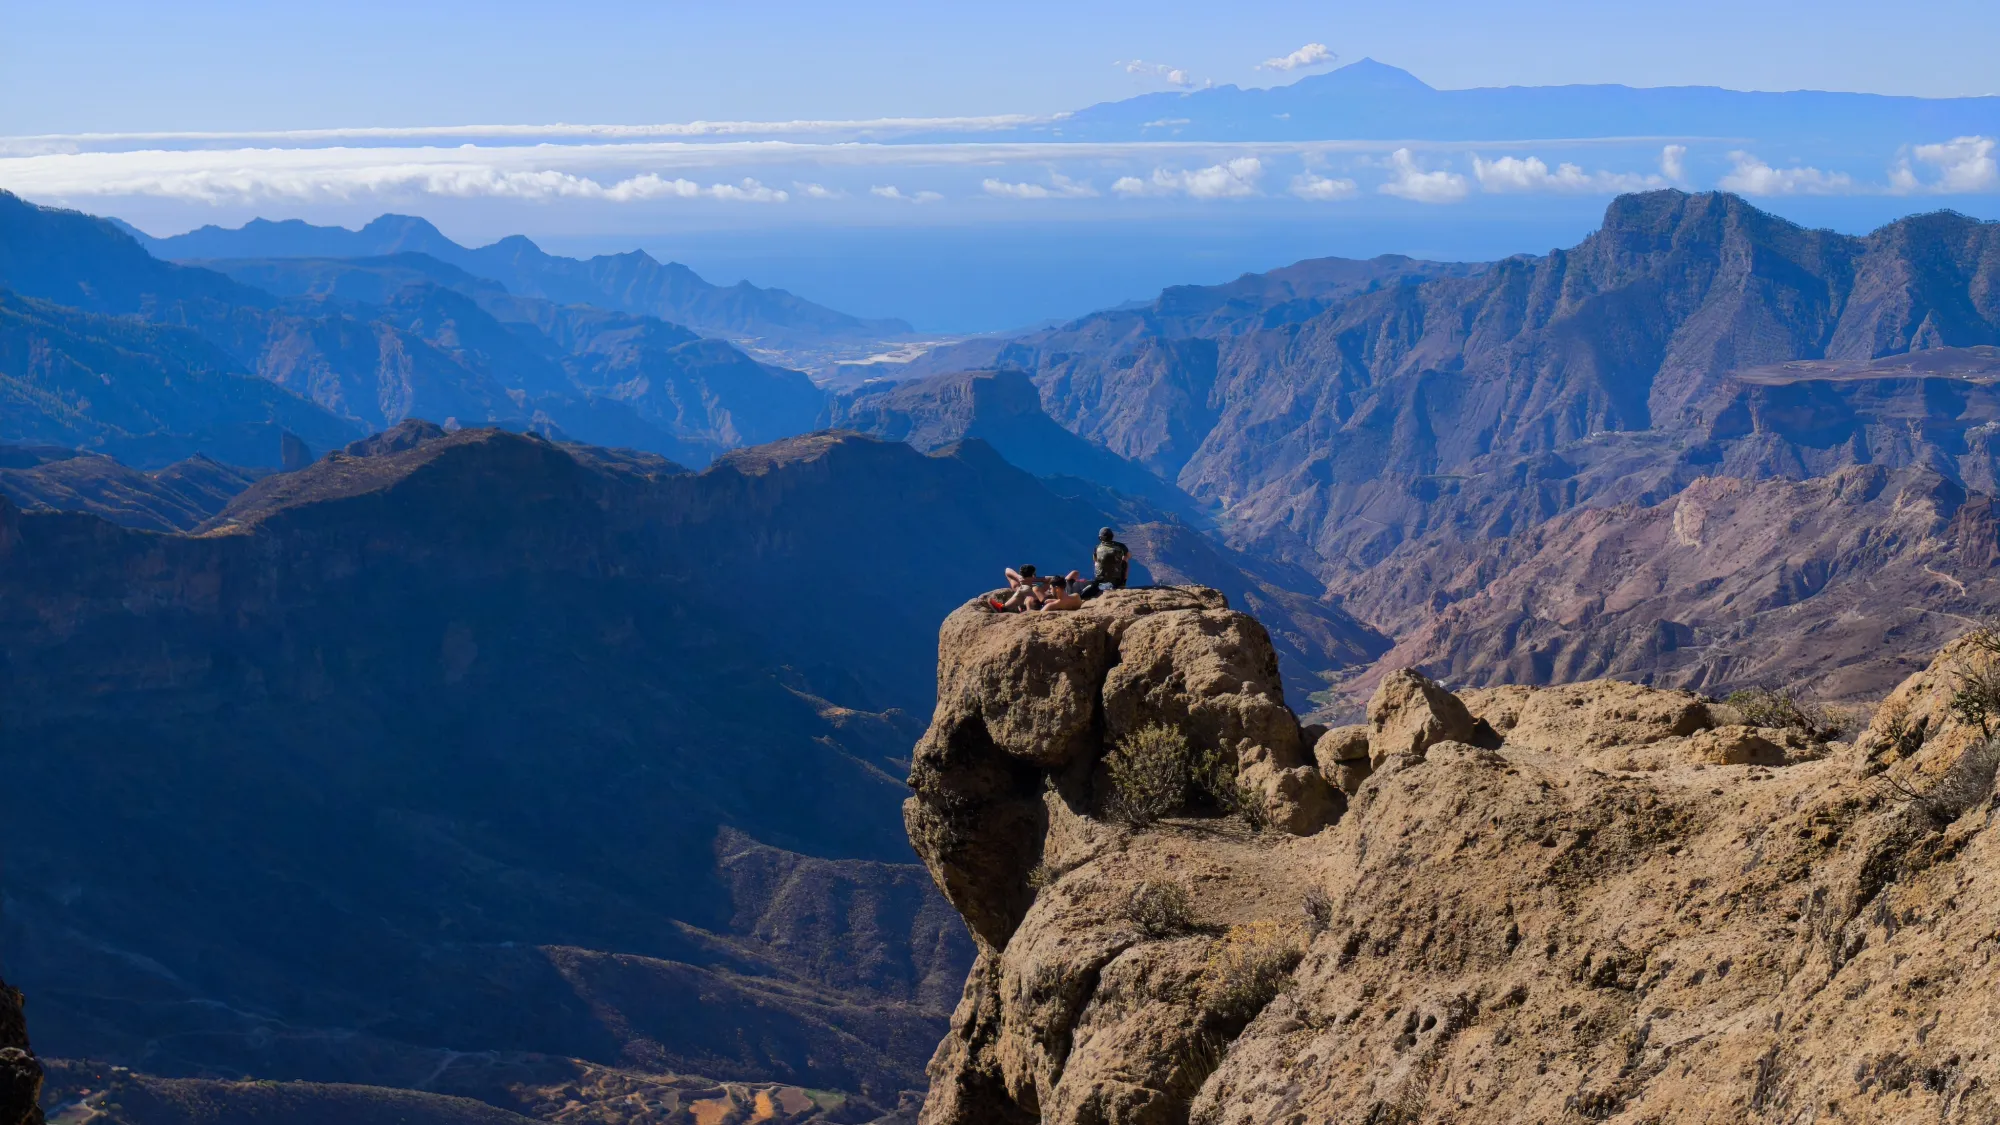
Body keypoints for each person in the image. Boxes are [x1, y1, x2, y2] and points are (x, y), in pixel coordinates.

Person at [1081, 527, 1130, 598]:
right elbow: (1128, 556)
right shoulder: (1121, 546)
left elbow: (1095, 560)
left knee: (1097, 562)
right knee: (1125, 561)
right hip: (1117, 580)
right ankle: (1123, 583)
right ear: (1112, 536)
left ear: (1100, 538)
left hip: (1100, 579)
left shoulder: (1097, 547)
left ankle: (1099, 579)